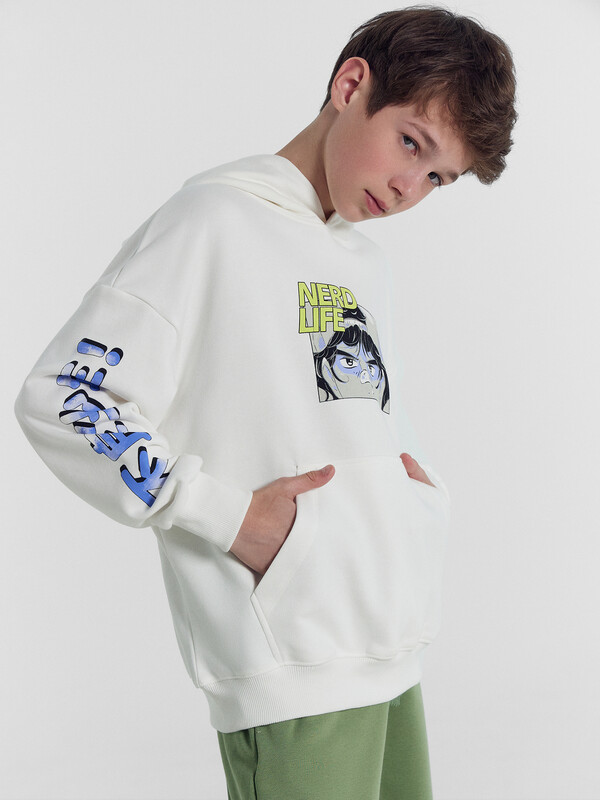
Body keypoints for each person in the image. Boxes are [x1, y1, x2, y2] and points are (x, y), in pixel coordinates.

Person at [14, 6, 516, 799]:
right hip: (291, 671)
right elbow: (65, 396)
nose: (408, 188)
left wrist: (411, 506)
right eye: (411, 143)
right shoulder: (211, 222)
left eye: (437, 179)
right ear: (351, 85)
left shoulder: (361, 260)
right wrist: (226, 516)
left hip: (392, 652)